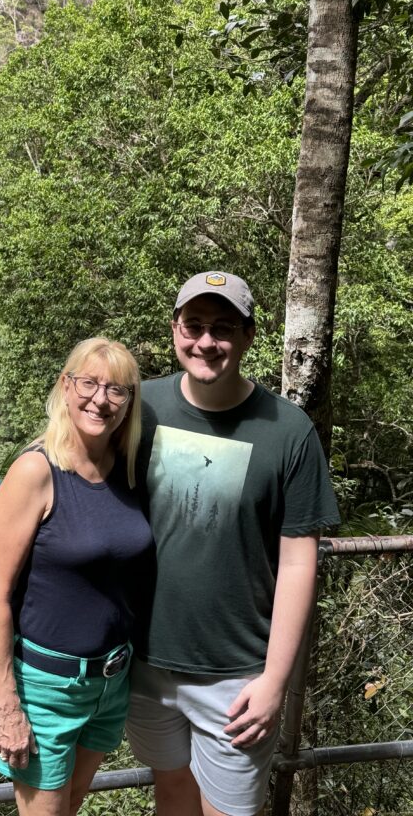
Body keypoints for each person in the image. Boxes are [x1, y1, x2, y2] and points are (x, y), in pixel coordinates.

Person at [126, 271, 340, 816]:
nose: (205, 341)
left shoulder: (287, 431)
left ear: (248, 337)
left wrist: (274, 682)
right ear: (174, 329)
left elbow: (298, 563)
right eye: (193, 325)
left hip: (237, 676)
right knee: (170, 793)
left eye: (222, 328)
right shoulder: (137, 408)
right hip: (146, 664)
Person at [0, 337, 155, 816]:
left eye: (117, 390)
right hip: (47, 690)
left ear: (129, 402)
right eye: (89, 383)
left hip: (111, 682)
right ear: (66, 385)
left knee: (72, 805)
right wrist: (8, 707)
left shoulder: (127, 472)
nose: (100, 399)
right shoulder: (35, 471)